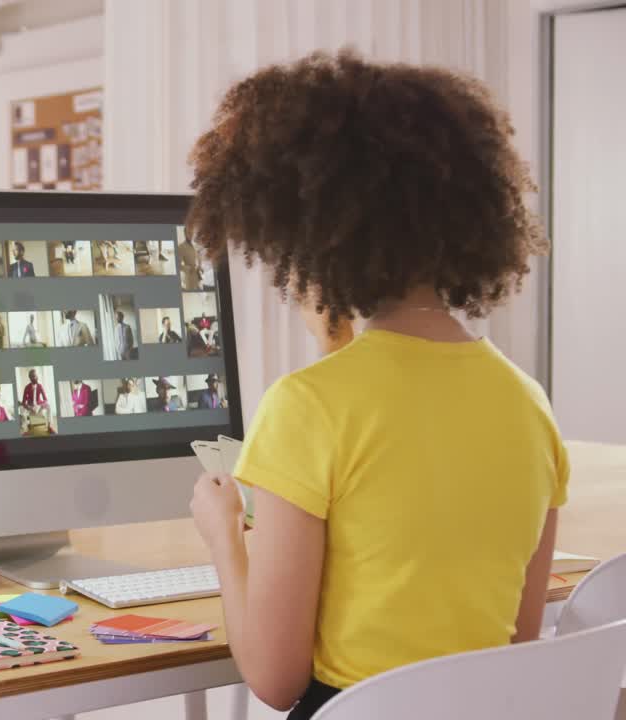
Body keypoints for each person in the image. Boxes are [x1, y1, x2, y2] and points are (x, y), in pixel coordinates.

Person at [185, 52, 562, 719]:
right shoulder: (529, 405)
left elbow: (275, 680)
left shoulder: (307, 409)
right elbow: (519, 644)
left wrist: (223, 535)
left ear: (305, 237)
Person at [19, 368, 53, 434]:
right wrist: (30, 408)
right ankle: (25, 429)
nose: (36, 377)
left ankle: (49, 426)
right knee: (21, 409)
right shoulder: (27, 387)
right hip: (30, 406)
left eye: (36, 376)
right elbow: (23, 402)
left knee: (49, 406)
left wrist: (40, 406)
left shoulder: (40, 386)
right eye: (34, 376)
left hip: (39, 405)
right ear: (30, 378)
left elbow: (45, 399)